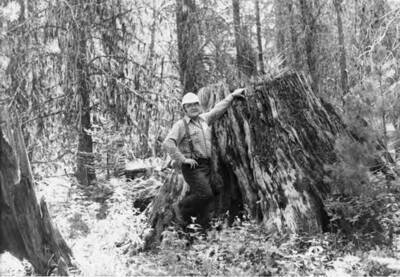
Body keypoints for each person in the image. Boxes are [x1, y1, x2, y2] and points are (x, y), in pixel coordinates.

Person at [163, 88, 246, 229]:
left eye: (195, 104)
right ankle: (181, 209)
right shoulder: (181, 125)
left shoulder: (204, 119)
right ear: (184, 109)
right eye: (189, 106)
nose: (193, 107)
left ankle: (198, 225)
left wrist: (232, 96)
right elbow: (168, 143)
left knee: (213, 191)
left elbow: (217, 109)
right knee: (205, 194)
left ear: (199, 106)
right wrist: (183, 159)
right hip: (192, 167)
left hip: (207, 165)